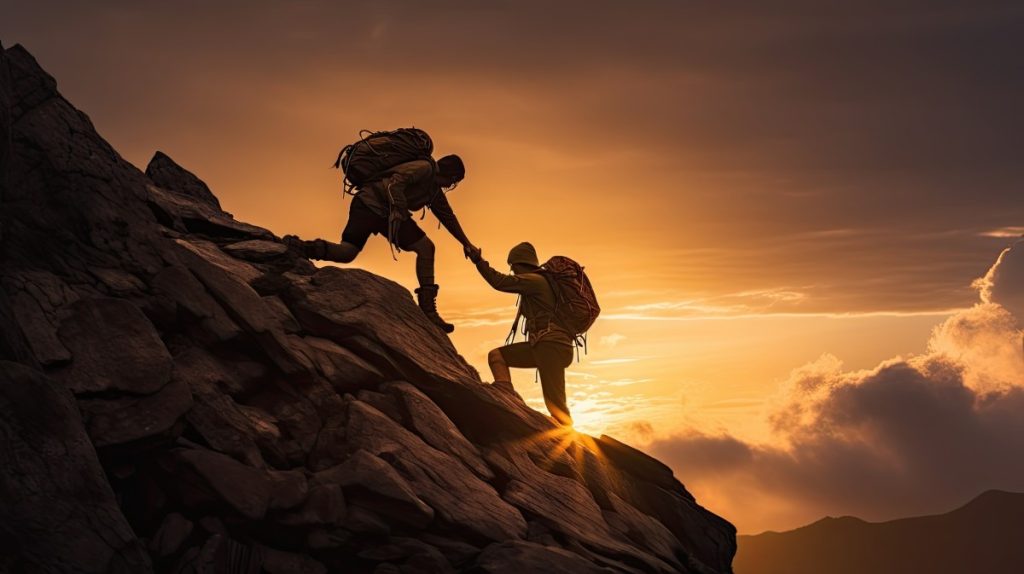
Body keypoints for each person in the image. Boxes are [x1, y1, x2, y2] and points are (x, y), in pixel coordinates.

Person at [286, 155, 477, 333]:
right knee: (349, 253)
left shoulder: (433, 190)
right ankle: (302, 248)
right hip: (372, 206)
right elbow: (395, 184)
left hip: (379, 210)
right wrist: (399, 212)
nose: (451, 185)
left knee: (423, 248)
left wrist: (467, 244)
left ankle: (428, 310)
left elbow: (448, 218)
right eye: (453, 181)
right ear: (450, 176)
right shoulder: (424, 168)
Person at [468, 242, 574, 426]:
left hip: (551, 346)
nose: (512, 271)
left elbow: (498, 281)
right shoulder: (539, 282)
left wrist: (479, 261)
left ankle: (572, 447)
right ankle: (507, 396)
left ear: (518, 264)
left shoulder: (534, 281)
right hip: (545, 345)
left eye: (512, 267)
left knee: (556, 405)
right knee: (497, 356)